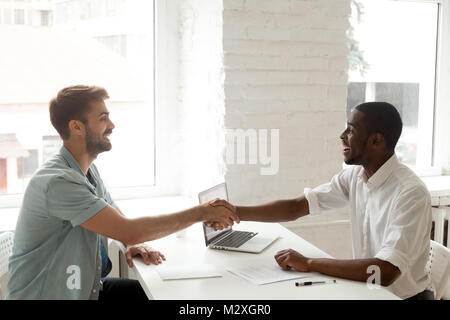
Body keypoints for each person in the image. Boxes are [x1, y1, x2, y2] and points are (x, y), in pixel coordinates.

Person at [6, 85, 239, 300]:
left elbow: (119, 222)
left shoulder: (87, 171)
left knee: (160, 294)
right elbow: (130, 230)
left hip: (87, 289)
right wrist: (200, 213)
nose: (112, 125)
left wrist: (129, 241)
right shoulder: (59, 182)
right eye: (103, 118)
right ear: (76, 126)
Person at [210, 102, 433, 300]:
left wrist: (310, 263)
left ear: (376, 140)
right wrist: (234, 211)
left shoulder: (410, 193)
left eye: (351, 129)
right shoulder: (356, 176)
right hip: (368, 292)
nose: (342, 135)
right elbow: (297, 207)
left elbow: (385, 271)